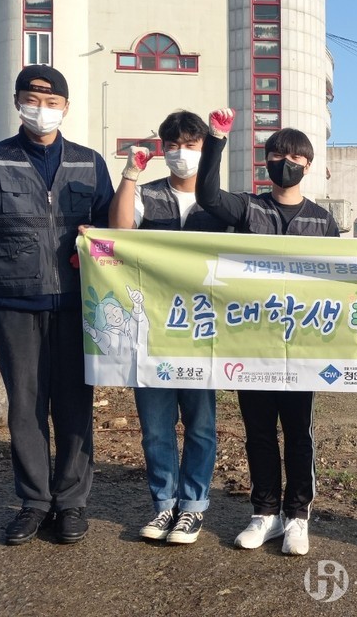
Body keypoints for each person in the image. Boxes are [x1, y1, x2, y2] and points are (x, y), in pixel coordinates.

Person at [0, 65, 113, 545]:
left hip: (76, 303)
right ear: (17, 102)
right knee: (25, 407)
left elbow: (114, 230)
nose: (42, 109)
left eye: (52, 102)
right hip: (15, 301)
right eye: (33, 99)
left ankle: (70, 504)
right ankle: (34, 501)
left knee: (74, 405)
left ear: (66, 107)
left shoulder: (90, 163)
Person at [195, 112, 339, 556]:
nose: (286, 161)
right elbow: (207, 196)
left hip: (303, 345)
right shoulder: (248, 207)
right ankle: (264, 513)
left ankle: (297, 516)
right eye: (278, 154)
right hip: (251, 342)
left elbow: (339, 281)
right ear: (266, 162)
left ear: (308, 165)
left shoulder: (322, 220)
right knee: (257, 431)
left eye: (295, 155)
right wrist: (217, 140)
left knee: (299, 433)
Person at [108, 109, 225, 545]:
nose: (181, 153)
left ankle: (193, 507)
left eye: (191, 145)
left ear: (205, 148)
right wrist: (129, 175)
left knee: (199, 424)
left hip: (202, 332)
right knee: (155, 426)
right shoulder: (147, 193)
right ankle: (163, 505)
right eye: (173, 145)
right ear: (162, 149)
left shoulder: (218, 203)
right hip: (151, 330)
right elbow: (118, 230)